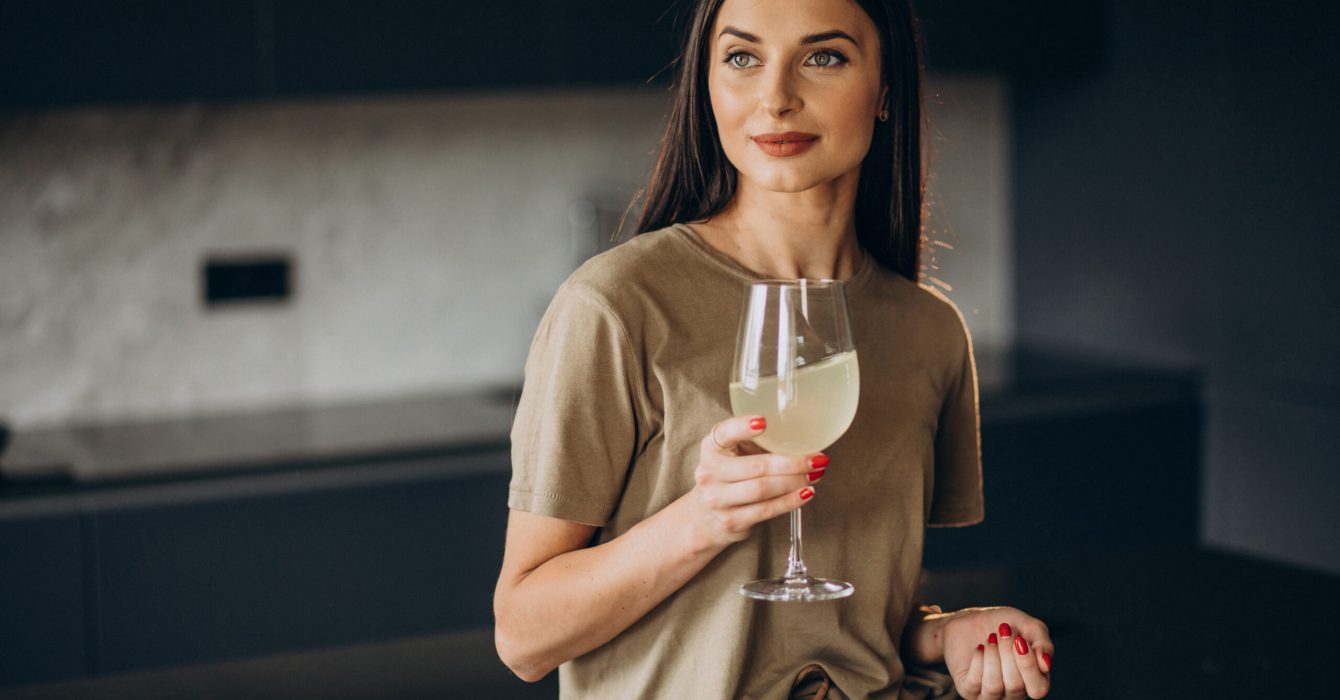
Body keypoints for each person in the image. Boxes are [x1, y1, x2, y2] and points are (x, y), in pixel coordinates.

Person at [493, 0, 1055, 697]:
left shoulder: (928, 331)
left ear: (885, 90)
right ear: (708, 86)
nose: (776, 97)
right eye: (742, 57)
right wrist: (702, 518)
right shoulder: (614, 305)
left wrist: (943, 633)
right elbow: (523, 637)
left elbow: (859, 601)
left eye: (823, 57)